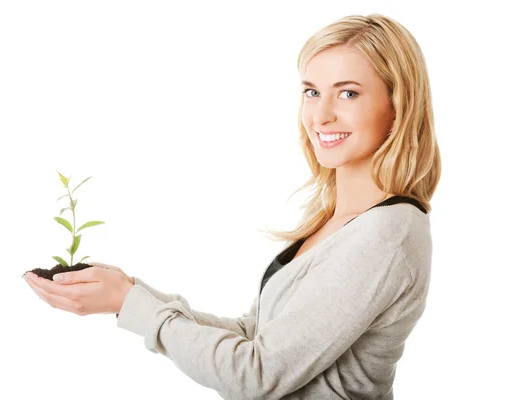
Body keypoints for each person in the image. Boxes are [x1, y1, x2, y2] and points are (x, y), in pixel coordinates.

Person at [23, 13, 441, 399]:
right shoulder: (337, 222)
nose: (321, 114)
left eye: (347, 93)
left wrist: (130, 304)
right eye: (311, 92)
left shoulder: (390, 232)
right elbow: (254, 336)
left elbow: (256, 374)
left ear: (398, 106)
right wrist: (130, 291)